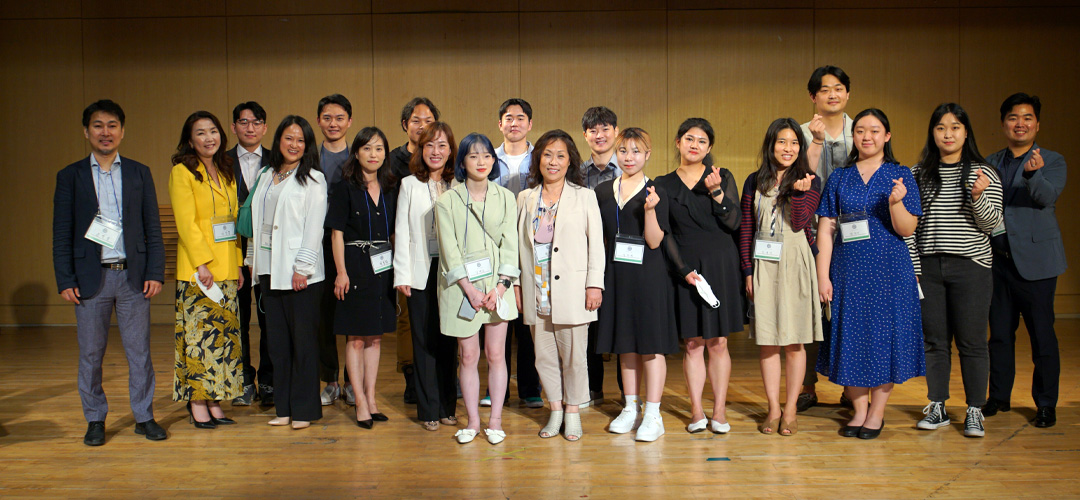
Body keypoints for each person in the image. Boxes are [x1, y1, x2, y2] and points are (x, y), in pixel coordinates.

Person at [53, 99, 167, 446]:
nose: (106, 132)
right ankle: (95, 419)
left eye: (112, 125)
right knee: (91, 354)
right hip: (90, 278)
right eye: (98, 125)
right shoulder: (70, 176)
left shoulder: (138, 172)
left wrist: (155, 272)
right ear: (86, 131)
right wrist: (65, 279)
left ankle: (144, 416)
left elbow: (152, 226)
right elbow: (61, 231)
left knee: (139, 352)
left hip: (133, 276)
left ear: (122, 131)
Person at [815, 108, 924, 440]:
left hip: (889, 271)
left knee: (883, 339)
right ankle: (859, 410)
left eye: (875, 131)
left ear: (887, 136)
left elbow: (907, 229)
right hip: (847, 270)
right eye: (860, 130)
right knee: (849, 337)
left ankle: (876, 413)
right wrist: (823, 276)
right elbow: (826, 228)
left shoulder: (900, 175)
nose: (867, 136)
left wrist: (896, 203)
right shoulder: (840, 177)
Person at [909, 103, 1003, 438]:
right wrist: (914, 266)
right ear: (932, 133)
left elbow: (993, 224)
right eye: (941, 128)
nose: (947, 134)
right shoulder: (919, 173)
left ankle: (975, 409)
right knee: (934, 341)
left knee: (972, 341)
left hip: (971, 267)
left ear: (966, 132)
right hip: (929, 267)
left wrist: (977, 196)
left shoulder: (984, 172)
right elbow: (911, 227)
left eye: (955, 127)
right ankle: (937, 406)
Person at [515, 129, 605, 442]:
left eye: (560, 156)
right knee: (543, 357)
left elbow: (596, 245)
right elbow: (517, 247)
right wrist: (517, 287)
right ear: (538, 159)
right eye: (547, 155)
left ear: (570, 162)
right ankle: (555, 408)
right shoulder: (525, 198)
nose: (553, 162)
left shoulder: (584, 196)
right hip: (536, 289)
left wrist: (594, 285)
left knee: (575, 357)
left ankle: (573, 411)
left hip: (573, 291)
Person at [984, 93, 1068, 428]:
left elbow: (1047, 197)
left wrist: (1034, 175)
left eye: (1027, 117)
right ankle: (998, 397)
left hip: (1037, 263)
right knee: (1000, 335)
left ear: (1037, 124)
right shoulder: (990, 162)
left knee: (1042, 336)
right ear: (1003, 124)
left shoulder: (1052, 160)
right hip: (997, 261)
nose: (1020, 124)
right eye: (1013, 118)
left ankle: (1046, 404)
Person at [654, 118, 742, 435]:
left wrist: (716, 191)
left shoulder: (722, 176)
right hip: (686, 266)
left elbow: (733, 223)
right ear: (678, 142)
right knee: (692, 343)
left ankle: (719, 410)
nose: (695, 145)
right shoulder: (663, 183)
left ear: (709, 147)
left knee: (718, 341)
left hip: (721, 264)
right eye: (689, 139)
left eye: (702, 141)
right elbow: (664, 232)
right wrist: (683, 269)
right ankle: (696, 411)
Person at [738, 118, 823, 436]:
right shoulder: (754, 181)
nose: (788, 148)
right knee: (768, 341)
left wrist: (799, 194)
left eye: (794, 143)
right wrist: (747, 270)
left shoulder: (809, 179)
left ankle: (791, 410)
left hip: (797, 261)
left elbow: (800, 222)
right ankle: (773, 408)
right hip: (764, 262)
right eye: (782, 142)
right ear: (771, 145)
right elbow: (747, 227)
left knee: (794, 342)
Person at [595, 128, 679, 442]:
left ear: (647, 155)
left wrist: (650, 210)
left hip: (649, 277)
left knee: (651, 345)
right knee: (626, 345)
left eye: (636, 151)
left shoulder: (657, 191)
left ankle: (654, 414)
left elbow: (655, 241)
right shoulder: (603, 191)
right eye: (623, 151)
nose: (629, 157)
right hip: (616, 275)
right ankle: (630, 407)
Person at [435, 133, 520, 445]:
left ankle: (495, 420)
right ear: (462, 162)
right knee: (468, 356)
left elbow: (511, 246)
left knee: (496, 354)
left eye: (486, 155)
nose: (481, 161)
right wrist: (470, 290)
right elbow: (449, 251)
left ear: (493, 161)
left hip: (498, 287)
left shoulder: (506, 198)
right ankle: (472, 421)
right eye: (473, 156)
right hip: (462, 290)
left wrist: (501, 287)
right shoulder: (447, 201)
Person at [246, 116, 328, 430]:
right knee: (277, 344)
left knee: (303, 345)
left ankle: (304, 410)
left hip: (299, 274)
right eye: (288, 138)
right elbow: (256, 221)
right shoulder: (265, 174)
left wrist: (302, 268)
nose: (293, 145)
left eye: (300, 140)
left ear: (307, 145)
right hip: (269, 269)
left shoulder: (314, 179)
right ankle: (283, 408)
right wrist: (252, 259)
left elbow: (314, 228)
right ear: (278, 140)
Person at [168, 110, 245, 428]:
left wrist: (238, 263)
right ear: (190, 140)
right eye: (200, 132)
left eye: (213, 131)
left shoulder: (226, 170)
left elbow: (233, 220)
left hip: (226, 267)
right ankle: (197, 401)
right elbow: (186, 223)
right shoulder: (182, 172)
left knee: (222, 340)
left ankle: (215, 399)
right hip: (199, 271)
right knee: (199, 339)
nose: (208, 137)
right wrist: (202, 263)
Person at [327, 127, 397, 429]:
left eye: (379, 149)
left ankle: (371, 398)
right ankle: (358, 401)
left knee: (375, 337)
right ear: (356, 152)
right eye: (367, 148)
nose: (373, 154)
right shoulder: (345, 187)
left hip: (383, 267)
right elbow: (336, 234)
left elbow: (394, 232)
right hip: (354, 266)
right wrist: (341, 272)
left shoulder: (391, 187)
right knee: (355, 337)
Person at [393, 121, 459, 431]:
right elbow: (402, 231)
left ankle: (448, 406)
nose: (435, 151)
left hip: (451, 273)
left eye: (442, 145)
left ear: (450, 151)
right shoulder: (409, 184)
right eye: (429, 145)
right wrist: (402, 274)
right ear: (421, 150)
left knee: (448, 341)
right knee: (422, 340)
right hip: (419, 271)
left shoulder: (458, 184)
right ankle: (428, 409)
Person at [797, 65, 854, 412]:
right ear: (813, 96)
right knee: (809, 311)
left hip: (854, 235)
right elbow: (795, 177)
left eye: (838, 88)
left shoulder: (861, 131)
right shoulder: (799, 134)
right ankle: (806, 386)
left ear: (847, 93)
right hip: (809, 233)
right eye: (824, 89)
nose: (832, 94)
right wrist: (815, 142)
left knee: (849, 310)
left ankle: (852, 386)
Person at [487, 98, 542, 409]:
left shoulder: (540, 157)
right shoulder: (488, 157)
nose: (514, 123)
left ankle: (530, 387)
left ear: (530, 124)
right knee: (497, 313)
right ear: (500, 124)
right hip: (496, 244)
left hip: (532, 243)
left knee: (527, 315)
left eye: (521, 118)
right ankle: (496, 388)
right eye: (508, 118)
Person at [387, 97, 441, 405]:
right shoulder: (393, 161)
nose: (422, 126)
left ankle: (441, 376)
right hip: (403, 247)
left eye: (429, 120)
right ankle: (411, 374)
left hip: (439, 253)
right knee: (408, 318)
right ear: (405, 124)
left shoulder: (442, 160)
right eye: (416, 120)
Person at [227, 101, 273, 407]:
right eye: (243, 122)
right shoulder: (220, 161)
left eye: (256, 122)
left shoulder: (276, 159)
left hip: (268, 250)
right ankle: (244, 379)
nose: (250, 128)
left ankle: (269, 380)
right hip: (231, 249)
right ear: (234, 127)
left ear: (265, 127)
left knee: (269, 317)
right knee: (238, 317)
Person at [579, 106, 621, 407]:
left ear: (616, 132)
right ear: (585, 135)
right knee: (589, 325)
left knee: (622, 323)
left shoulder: (629, 168)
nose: (600, 135)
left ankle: (627, 393)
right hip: (585, 259)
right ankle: (592, 388)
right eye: (593, 130)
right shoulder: (577, 174)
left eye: (605, 128)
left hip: (621, 258)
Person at [315, 94, 355, 406]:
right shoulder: (309, 158)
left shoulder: (359, 157)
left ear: (349, 122)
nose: (333, 123)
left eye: (339, 118)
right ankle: (330, 380)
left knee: (354, 313)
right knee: (323, 315)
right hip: (317, 244)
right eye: (327, 118)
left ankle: (353, 380)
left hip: (351, 244)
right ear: (319, 121)